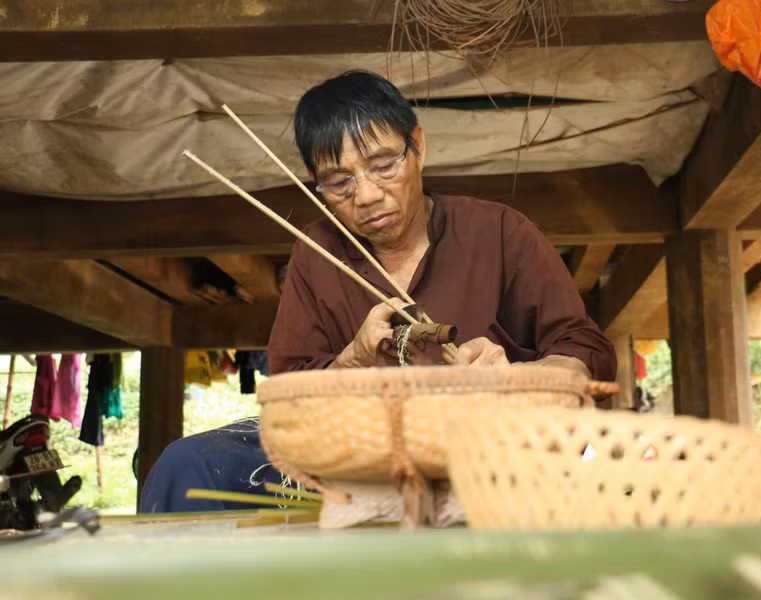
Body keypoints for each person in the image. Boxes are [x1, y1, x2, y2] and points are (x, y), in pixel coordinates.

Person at [138, 70, 616, 514]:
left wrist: (514, 379)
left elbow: (584, 351)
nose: (366, 195)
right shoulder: (316, 253)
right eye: (338, 182)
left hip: (484, 447)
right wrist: (353, 361)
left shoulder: (499, 232)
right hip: (359, 459)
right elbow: (287, 399)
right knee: (192, 463)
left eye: (384, 165)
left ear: (418, 146)